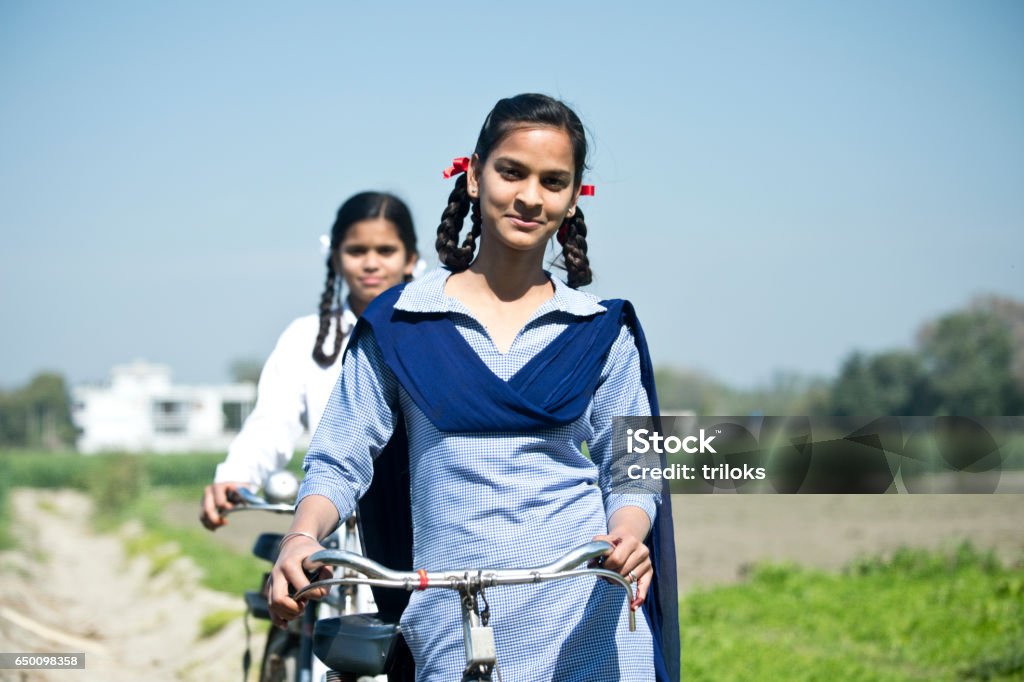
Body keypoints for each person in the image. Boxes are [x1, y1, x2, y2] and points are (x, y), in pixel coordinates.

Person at [269, 94, 679, 682]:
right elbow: (341, 455)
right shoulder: (400, 322)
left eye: (553, 181)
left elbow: (632, 469)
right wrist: (302, 535)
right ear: (472, 174)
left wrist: (629, 534)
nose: (530, 196)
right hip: (451, 618)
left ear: (572, 198)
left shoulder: (600, 329)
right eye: (511, 171)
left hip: (585, 612)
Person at [199, 191, 419, 529]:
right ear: (335, 258)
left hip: (425, 528)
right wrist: (237, 476)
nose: (371, 263)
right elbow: (272, 421)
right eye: (357, 251)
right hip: (332, 525)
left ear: (410, 259)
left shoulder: (436, 331)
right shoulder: (305, 337)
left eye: (386, 251)